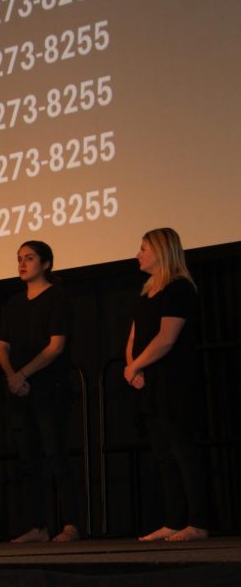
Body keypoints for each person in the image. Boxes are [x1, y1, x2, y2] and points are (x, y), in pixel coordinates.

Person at [124, 228, 208, 542]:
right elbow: (134, 335)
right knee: (162, 454)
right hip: (149, 383)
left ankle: (197, 522)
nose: (138, 254)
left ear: (162, 250)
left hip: (175, 383)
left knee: (183, 451)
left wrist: (136, 365)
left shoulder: (179, 289)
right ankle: (174, 521)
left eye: (143, 248)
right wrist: (131, 367)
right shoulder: (146, 292)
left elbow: (166, 338)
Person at [0, 240, 80, 543]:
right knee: (28, 460)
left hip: (49, 388)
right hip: (19, 390)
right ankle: (38, 526)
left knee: (55, 454)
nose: (22, 263)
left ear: (46, 263)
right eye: (19, 258)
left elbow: (55, 347)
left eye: (29, 258)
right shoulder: (15, 303)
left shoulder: (58, 298)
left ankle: (71, 524)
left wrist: (22, 374)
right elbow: (2, 346)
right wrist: (12, 377)